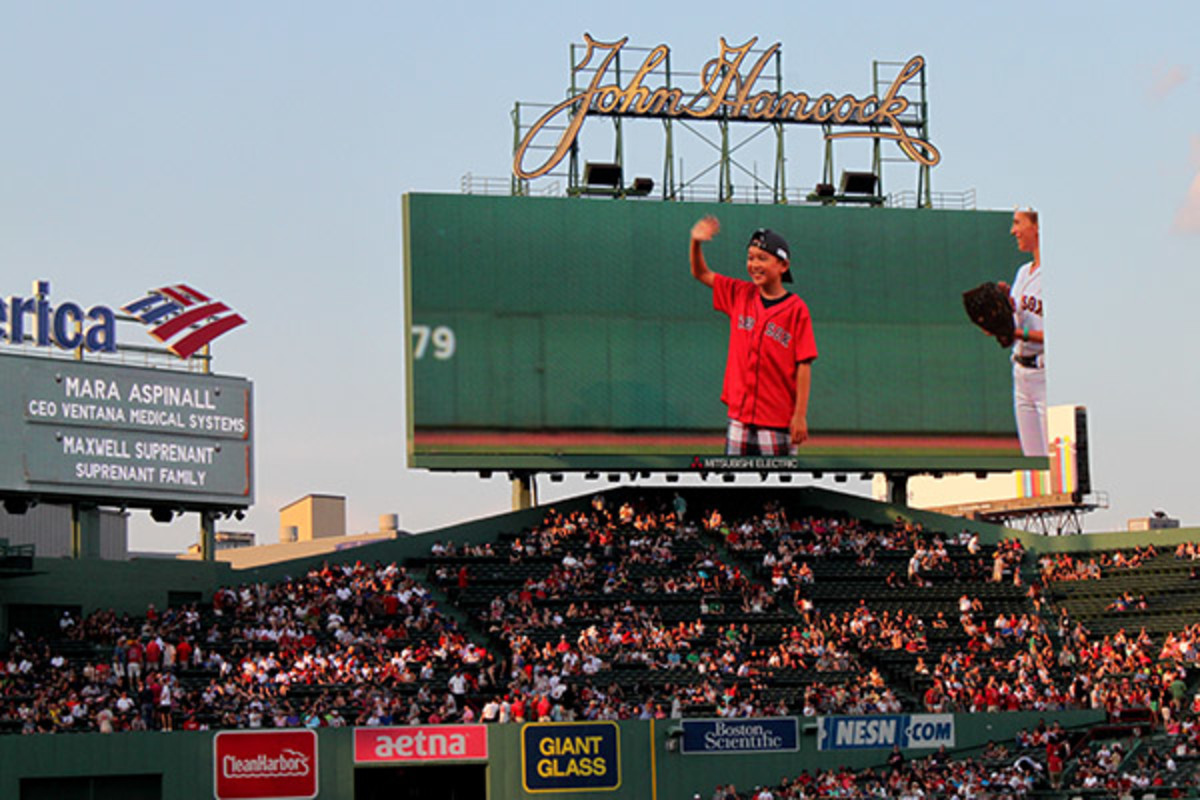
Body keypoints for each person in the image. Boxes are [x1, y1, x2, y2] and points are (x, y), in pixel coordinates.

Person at [689, 215, 817, 455]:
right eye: (750, 258)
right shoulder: (739, 293)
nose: (754, 264)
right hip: (740, 418)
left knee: (779, 489)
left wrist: (800, 415)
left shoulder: (796, 309)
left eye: (762, 258)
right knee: (736, 488)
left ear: (783, 265)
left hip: (778, 421)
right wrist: (696, 243)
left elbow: (804, 365)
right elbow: (701, 273)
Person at [1000, 209, 1046, 456]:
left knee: (1056, 463)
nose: (1013, 230)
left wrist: (1018, 333)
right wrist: (1004, 307)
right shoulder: (1023, 272)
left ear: (1037, 227)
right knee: (1033, 463)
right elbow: (1013, 324)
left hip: (1045, 375)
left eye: (1018, 223)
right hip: (1021, 374)